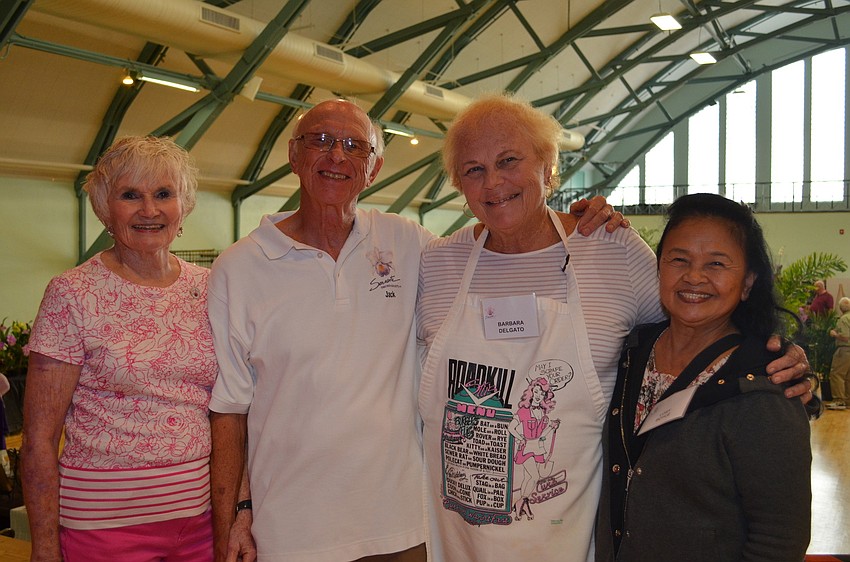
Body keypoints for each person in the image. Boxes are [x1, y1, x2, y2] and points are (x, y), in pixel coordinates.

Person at [206, 98, 626, 562]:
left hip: (405, 527)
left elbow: (503, 231)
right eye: (320, 141)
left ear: (375, 168)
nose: (336, 157)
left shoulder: (410, 245)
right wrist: (235, 515)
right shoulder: (239, 267)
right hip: (290, 527)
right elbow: (229, 409)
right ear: (293, 154)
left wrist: (591, 218)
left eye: (353, 146)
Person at [415, 95, 813, 561]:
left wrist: (771, 359)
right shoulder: (436, 263)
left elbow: (697, 316)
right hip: (456, 539)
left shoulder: (610, 250)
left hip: (573, 540)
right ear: (458, 183)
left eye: (508, 161)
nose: (494, 182)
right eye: (473, 169)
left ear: (548, 167)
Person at [22, 136, 217, 562]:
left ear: (183, 206)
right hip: (103, 527)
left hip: (200, 521)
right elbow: (38, 439)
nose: (149, 210)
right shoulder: (72, 293)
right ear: (105, 209)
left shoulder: (209, 288)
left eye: (163, 194)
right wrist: (44, 546)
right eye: (131, 196)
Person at [598, 193, 812, 561]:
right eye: (679, 259)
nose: (694, 276)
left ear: (747, 283)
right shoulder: (627, 352)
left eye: (716, 264)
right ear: (660, 268)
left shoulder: (764, 387)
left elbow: (778, 540)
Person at [827, 296, 850, 409]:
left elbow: (845, 337)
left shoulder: (844, 319)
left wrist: (834, 334)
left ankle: (839, 401)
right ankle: (848, 400)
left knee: (837, 374)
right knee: (848, 376)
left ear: (841, 308)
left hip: (845, 349)